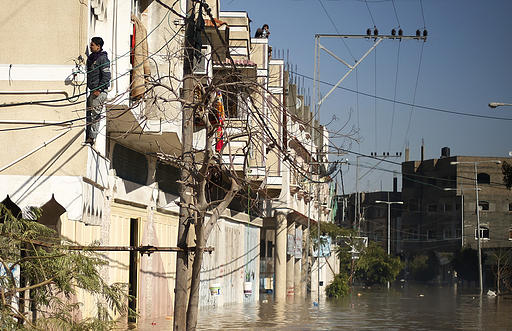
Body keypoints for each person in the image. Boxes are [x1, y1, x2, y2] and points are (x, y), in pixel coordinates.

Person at [85, 37, 111, 145]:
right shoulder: (92, 58)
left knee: (95, 114)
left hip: (99, 92)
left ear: (98, 46)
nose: (90, 47)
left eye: (92, 45)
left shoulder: (102, 58)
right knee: (88, 112)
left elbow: (106, 76)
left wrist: (99, 89)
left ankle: (92, 138)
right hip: (93, 91)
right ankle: (88, 135)